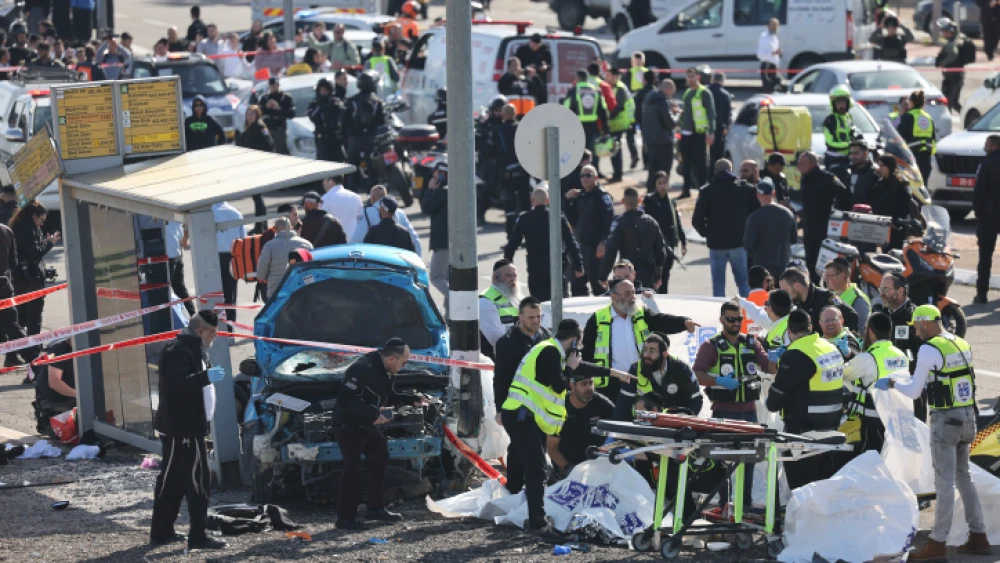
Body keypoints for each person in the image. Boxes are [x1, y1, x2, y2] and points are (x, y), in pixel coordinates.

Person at [877, 306, 989, 560]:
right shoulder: (961, 342)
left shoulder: (929, 348)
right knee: (965, 477)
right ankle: (979, 535)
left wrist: (893, 383)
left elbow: (915, 391)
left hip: (945, 421)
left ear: (926, 324)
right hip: (967, 417)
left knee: (945, 483)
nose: (916, 332)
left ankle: (937, 541)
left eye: (917, 326)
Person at [501, 318, 632, 531]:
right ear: (573, 340)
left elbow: (582, 367)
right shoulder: (550, 352)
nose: (578, 351)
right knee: (536, 468)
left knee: (527, 463)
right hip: (521, 415)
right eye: (578, 346)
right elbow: (560, 383)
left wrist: (615, 374)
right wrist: (570, 369)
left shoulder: (553, 352)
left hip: (523, 415)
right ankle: (537, 522)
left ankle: (530, 513)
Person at [150, 310, 227, 550]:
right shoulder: (180, 350)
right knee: (197, 482)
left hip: (185, 427)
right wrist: (205, 376)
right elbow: (175, 386)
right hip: (182, 429)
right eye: (212, 333)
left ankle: (162, 532)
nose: (214, 337)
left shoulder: (191, 347)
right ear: (201, 331)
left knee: (172, 482)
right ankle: (198, 535)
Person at [330, 338, 427, 530]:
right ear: (392, 359)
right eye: (403, 362)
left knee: (380, 457)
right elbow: (346, 399)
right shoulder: (362, 369)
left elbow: (388, 394)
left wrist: (412, 399)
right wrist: (374, 414)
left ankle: (375, 508)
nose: (404, 366)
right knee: (352, 468)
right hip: (348, 425)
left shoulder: (384, 368)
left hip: (365, 425)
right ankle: (345, 518)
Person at [693, 301, 772, 506]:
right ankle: (723, 502)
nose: (736, 323)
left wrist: (782, 357)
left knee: (749, 459)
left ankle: (745, 503)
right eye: (731, 319)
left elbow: (769, 366)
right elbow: (698, 374)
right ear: (721, 320)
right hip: (724, 411)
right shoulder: (711, 346)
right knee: (722, 460)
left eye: (739, 319)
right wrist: (719, 380)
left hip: (749, 411)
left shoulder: (751, 342)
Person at [765, 310, 844, 491]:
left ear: (789, 332)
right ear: (811, 327)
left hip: (802, 432)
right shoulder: (829, 347)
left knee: (802, 489)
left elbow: (773, 403)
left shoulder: (795, 355)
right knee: (823, 488)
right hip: (832, 427)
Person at [582, 278, 698, 403]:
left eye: (633, 293)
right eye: (627, 294)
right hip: (610, 385)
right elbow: (587, 354)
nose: (633, 297)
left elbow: (662, 321)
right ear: (614, 297)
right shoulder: (597, 320)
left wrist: (683, 323)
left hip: (641, 382)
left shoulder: (641, 313)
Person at [841, 312, 909, 454]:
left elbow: (843, 373)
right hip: (897, 422)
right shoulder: (900, 355)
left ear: (870, 332)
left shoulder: (868, 358)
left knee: (871, 464)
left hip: (873, 424)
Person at [504, 187, 584, 302]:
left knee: (539, 305)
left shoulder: (525, 218)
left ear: (532, 201)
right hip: (557, 268)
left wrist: (507, 267)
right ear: (548, 201)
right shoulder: (558, 218)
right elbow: (571, 243)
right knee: (561, 304)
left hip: (536, 269)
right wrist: (578, 265)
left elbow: (511, 245)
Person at [692, 159, 758, 297]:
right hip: (739, 242)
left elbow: (697, 220)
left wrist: (707, 233)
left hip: (716, 244)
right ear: (732, 170)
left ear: (715, 172)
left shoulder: (707, 191)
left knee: (718, 283)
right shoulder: (744, 189)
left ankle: (720, 312)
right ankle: (748, 312)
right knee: (743, 281)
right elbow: (755, 212)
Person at [547, 370, 615, 481]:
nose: (589, 388)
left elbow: (620, 430)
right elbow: (552, 447)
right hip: (566, 467)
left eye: (591, 383)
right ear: (572, 386)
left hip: (598, 466)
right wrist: (569, 468)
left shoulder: (603, 405)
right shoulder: (559, 407)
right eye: (584, 384)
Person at [615, 332, 703, 419]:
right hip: (645, 422)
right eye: (645, 350)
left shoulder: (681, 368)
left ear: (664, 354)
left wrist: (686, 416)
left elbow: (696, 398)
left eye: (652, 351)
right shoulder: (635, 369)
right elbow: (623, 404)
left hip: (676, 422)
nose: (646, 355)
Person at [598, 187, 666, 290]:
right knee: (646, 302)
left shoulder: (619, 223)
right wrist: (658, 275)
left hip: (626, 273)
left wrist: (603, 275)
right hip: (648, 272)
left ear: (623, 201)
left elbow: (610, 251)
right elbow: (660, 250)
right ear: (640, 201)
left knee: (626, 301)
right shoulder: (651, 222)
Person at [798, 151, 851, 282]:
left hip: (823, 227)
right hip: (809, 227)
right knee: (811, 262)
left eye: (802, 163)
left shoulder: (827, 177)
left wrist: (835, 214)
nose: (798, 166)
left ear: (811, 163)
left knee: (824, 262)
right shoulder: (806, 178)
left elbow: (844, 195)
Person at [9, 201, 57, 340]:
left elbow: (28, 249)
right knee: (34, 318)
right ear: (34, 216)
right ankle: (34, 352)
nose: (42, 223)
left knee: (21, 317)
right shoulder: (28, 230)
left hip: (20, 278)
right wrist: (50, 243)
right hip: (30, 279)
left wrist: (43, 242)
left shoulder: (20, 226)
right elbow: (35, 253)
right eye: (41, 219)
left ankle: (15, 353)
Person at [566, 165, 615, 296]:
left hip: (596, 248)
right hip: (581, 247)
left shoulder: (602, 196)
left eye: (589, 175)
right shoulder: (580, 196)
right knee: (576, 284)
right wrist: (567, 199)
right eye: (582, 176)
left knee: (598, 285)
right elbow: (572, 219)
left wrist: (604, 242)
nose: (585, 179)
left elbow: (610, 221)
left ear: (596, 177)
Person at [494, 297, 552, 408]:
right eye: (531, 317)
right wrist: (500, 409)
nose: (536, 321)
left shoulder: (547, 336)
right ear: (520, 317)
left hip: (543, 406)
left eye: (538, 317)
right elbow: (501, 379)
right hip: (519, 407)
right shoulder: (507, 342)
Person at [779, 267, 859, 338]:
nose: (785, 296)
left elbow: (852, 315)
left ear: (797, 286)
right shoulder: (798, 305)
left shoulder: (825, 297)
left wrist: (838, 339)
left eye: (786, 291)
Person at [744, 179, 797, 284]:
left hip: (762, 268)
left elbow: (748, 244)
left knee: (763, 298)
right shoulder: (788, 214)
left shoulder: (754, 217)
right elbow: (793, 239)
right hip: (783, 265)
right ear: (773, 193)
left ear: (758, 195)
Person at [642, 171, 687, 294]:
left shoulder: (671, 202)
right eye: (659, 183)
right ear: (655, 185)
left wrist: (683, 241)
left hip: (669, 243)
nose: (662, 186)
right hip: (654, 244)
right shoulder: (650, 200)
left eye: (664, 183)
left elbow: (677, 223)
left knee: (666, 273)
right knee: (655, 274)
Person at [491, 104, 531, 234]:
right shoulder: (523, 127)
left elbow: (489, 151)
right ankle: (529, 237)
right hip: (523, 172)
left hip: (506, 174)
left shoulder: (497, 130)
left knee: (510, 208)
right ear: (514, 114)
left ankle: (511, 238)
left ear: (503, 115)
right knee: (526, 206)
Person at [344, 71, 387, 191]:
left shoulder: (352, 101)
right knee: (372, 167)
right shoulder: (377, 102)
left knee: (353, 167)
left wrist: (345, 139)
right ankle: (373, 193)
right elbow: (382, 122)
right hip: (370, 138)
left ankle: (352, 191)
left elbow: (345, 122)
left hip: (354, 138)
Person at [679, 68, 716, 198]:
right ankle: (686, 190)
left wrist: (711, 132)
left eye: (693, 76)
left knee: (701, 164)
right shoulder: (687, 93)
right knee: (686, 163)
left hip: (699, 133)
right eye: (688, 76)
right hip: (686, 133)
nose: (690, 79)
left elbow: (711, 114)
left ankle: (702, 191)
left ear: (698, 77)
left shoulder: (704, 93)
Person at [563, 70, 609, 174]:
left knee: (577, 150)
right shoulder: (596, 91)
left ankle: (578, 173)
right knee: (592, 150)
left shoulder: (574, 91)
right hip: (593, 126)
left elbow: (566, 108)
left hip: (577, 126)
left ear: (577, 79)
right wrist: (605, 127)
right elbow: (603, 109)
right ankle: (594, 172)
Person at [872, 271, 920, 370]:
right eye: (880, 289)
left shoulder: (915, 315)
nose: (881, 294)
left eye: (886, 290)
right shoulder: (879, 314)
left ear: (900, 291)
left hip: (907, 376)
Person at [256, 217, 312, 299]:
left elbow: (261, 275)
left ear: (275, 229)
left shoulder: (269, 246)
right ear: (290, 227)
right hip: (301, 290)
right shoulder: (306, 244)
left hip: (277, 292)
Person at [353, 185, 420, 252]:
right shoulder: (400, 212)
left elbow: (358, 238)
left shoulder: (366, 212)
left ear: (372, 198)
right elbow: (414, 238)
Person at [974, 134, 1000, 304]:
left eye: (987, 144)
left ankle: (982, 293)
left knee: (985, 256)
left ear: (993, 146)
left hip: (989, 215)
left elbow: (979, 191)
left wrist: (978, 212)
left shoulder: (986, 164)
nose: (985, 147)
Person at [211, 201, 245, 330]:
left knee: (214, 295)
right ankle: (230, 330)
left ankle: (217, 329)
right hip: (233, 256)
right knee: (230, 295)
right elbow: (243, 237)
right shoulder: (236, 212)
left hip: (215, 256)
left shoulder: (210, 213)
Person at [421, 163, 449, 313]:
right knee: (448, 279)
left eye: (436, 175)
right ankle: (452, 315)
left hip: (443, 242)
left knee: (436, 276)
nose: (433, 177)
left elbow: (426, 207)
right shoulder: (453, 191)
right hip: (452, 241)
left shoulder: (441, 192)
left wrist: (430, 190)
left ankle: (456, 299)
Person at [869, 155, 914, 251]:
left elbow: (906, 204)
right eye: (879, 166)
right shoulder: (879, 182)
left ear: (889, 167)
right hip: (882, 222)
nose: (879, 168)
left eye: (882, 166)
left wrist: (896, 220)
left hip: (896, 225)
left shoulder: (901, 183)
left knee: (894, 251)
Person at [31, 338, 75, 434]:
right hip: (54, 399)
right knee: (67, 433)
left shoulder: (91, 347)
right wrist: (80, 395)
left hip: (75, 398)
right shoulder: (59, 349)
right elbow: (55, 383)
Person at [479, 260, 521, 361]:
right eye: (508, 276)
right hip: (498, 360)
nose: (513, 279)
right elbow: (496, 338)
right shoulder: (485, 301)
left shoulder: (517, 297)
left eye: (514, 276)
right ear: (495, 278)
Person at [641, 78, 678, 191]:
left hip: (651, 140)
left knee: (653, 169)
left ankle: (650, 192)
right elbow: (670, 123)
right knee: (664, 170)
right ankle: (662, 193)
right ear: (667, 89)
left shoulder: (649, 98)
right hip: (664, 141)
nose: (670, 96)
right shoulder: (662, 101)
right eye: (671, 93)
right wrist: (676, 115)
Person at [824, 86, 862, 186]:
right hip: (835, 159)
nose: (841, 105)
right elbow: (830, 142)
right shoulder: (830, 120)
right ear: (834, 104)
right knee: (841, 184)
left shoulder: (848, 117)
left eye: (844, 102)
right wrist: (849, 145)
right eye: (838, 102)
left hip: (849, 157)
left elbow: (854, 132)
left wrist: (861, 140)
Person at [898, 90, 936, 185]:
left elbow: (899, 136)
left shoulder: (908, 116)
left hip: (911, 157)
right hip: (926, 158)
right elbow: (933, 138)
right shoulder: (928, 117)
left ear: (911, 102)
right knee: (923, 187)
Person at [741, 288, 794, 355]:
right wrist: (740, 301)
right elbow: (757, 313)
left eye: (766, 303)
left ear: (770, 308)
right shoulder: (774, 320)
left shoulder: (789, 330)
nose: (765, 307)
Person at [823, 258, 870, 332]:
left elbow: (862, 331)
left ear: (842, 276)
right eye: (825, 276)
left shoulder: (858, 299)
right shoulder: (833, 295)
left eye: (829, 276)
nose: (825, 279)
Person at [308, 78, 347, 163]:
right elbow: (312, 116)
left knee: (339, 163)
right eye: (322, 90)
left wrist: (334, 106)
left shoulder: (336, 102)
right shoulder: (314, 104)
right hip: (322, 139)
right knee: (323, 164)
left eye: (325, 90)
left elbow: (343, 115)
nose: (324, 93)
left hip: (335, 139)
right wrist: (321, 107)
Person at [937, 18, 971, 114]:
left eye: (944, 31)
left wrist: (942, 63)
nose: (943, 33)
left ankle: (969, 120)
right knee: (950, 102)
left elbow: (954, 54)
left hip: (954, 78)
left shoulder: (953, 43)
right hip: (952, 77)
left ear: (949, 32)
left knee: (950, 102)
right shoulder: (955, 41)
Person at [606, 68, 635, 182]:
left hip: (618, 123)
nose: (606, 78)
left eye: (609, 75)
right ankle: (616, 174)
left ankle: (617, 175)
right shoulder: (610, 87)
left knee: (615, 150)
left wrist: (606, 119)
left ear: (616, 76)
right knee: (613, 150)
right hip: (614, 123)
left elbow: (617, 108)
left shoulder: (620, 89)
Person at [252, 78, 295, 155]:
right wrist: (266, 107)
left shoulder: (286, 98)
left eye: (275, 85)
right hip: (267, 128)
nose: (273, 87)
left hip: (280, 129)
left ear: (278, 85)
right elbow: (258, 112)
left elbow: (291, 113)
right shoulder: (265, 98)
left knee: (280, 151)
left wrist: (278, 108)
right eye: (271, 86)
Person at [626, 53, 649, 170]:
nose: (637, 65)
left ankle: (641, 159)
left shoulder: (631, 73)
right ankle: (638, 158)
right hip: (637, 109)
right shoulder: (629, 73)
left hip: (639, 109)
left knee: (638, 136)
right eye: (636, 62)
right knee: (634, 136)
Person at [708, 73, 732, 173]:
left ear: (712, 80)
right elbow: (728, 114)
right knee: (717, 159)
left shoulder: (705, 91)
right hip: (719, 129)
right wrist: (726, 127)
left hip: (704, 129)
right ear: (722, 81)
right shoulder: (725, 94)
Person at [741, 266, 772, 337]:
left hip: (746, 344)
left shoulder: (740, 305)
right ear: (765, 281)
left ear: (748, 282)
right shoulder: (774, 300)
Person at [847, 140, 878, 206]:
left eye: (856, 153)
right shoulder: (850, 169)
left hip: (867, 213)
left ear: (866, 153)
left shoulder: (875, 172)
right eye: (851, 153)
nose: (853, 156)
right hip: (851, 211)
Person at [757, 18, 782, 93]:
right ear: (768, 26)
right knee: (768, 89)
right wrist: (773, 53)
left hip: (774, 66)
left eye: (776, 26)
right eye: (773, 25)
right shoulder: (764, 37)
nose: (775, 28)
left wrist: (778, 53)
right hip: (767, 66)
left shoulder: (774, 37)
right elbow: (760, 54)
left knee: (777, 84)